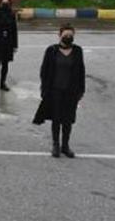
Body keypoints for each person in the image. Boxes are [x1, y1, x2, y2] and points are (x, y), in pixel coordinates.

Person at [33, 24, 86, 158]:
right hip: (54, 90)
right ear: (59, 35)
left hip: (71, 91)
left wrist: (81, 90)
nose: (68, 37)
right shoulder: (51, 50)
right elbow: (44, 71)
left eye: (70, 35)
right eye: (65, 35)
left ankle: (65, 146)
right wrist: (44, 89)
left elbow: (81, 71)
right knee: (56, 119)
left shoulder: (78, 51)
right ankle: (55, 145)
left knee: (68, 120)